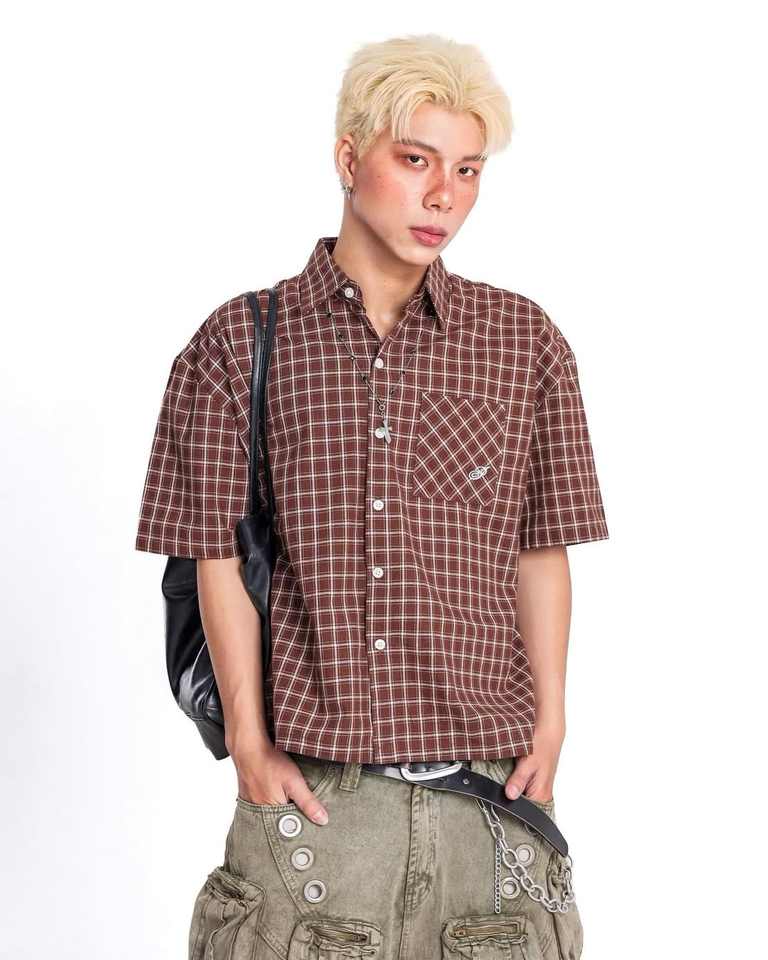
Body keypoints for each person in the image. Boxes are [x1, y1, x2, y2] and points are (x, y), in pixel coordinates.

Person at [135, 32, 609, 960]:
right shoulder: (237, 343)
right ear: (349, 157)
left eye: (468, 169)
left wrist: (551, 722)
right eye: (416, 159)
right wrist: (247, 741)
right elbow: (213, 553)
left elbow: (540, 544)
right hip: (317, 809)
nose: (444, 196)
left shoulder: (524, 343)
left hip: (491, 807)